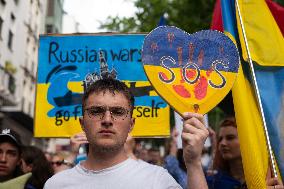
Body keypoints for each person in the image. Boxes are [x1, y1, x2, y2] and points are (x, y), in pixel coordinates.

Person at [44, 78, 209, 189]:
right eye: (96, 111)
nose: (107, 119)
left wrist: (193, 163)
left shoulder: (156, 181)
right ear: (82, 123)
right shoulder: (56, 184)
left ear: (131, 124)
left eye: (117, 111)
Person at [206, 116, 283, 189]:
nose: (223, 143)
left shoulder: (268, 177)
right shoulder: (212, 182)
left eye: (230, 138)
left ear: (247, 141)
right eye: (220, 139)